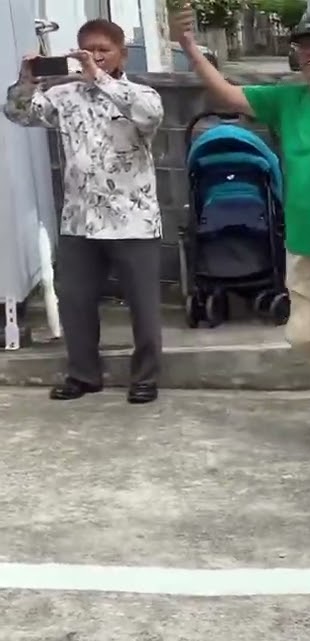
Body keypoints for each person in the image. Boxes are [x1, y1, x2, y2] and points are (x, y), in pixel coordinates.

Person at [178, 8, 310, 456]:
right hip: (303, 241)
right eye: (304, 46)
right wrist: (188, 48)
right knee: (304, 334)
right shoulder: (287, 99)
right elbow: (227, 93)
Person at [3, 19, 164, 405]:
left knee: (143, 306)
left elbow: (149, 116)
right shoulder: (65, 95)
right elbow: (18, 113)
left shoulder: (140, 94)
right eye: (87, 50)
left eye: (103, 50)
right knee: (74, 300)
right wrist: (26, 80)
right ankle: (83, 374)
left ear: (122, 54)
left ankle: (145, 377)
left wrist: (101, 79)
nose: (95, 56)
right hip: (80, 219)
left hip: (132, 219)